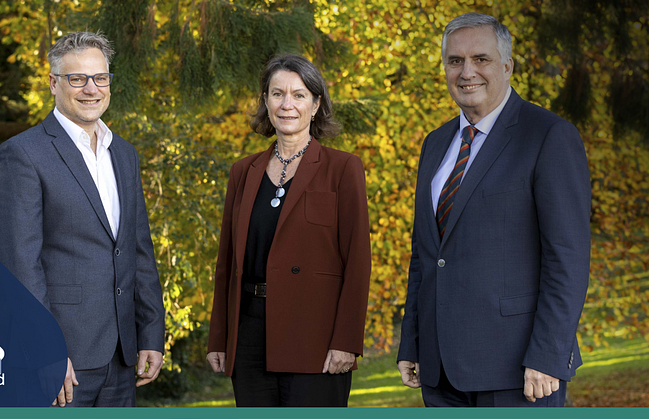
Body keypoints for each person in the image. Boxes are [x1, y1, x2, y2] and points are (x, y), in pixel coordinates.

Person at [396, 12, 591, 407]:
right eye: (455, 61)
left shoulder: (548, 136)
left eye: (481, 59)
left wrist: (548, 356)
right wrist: (412, 341)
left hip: (520, 370)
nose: (467, 72)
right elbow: (426, 255)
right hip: (441, 372)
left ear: (507, 65)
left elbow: (567, 259)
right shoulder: (436, 144)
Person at [0, 32, 165, 407]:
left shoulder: (124, 154)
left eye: (100, 78)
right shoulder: (22, 154)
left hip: (122, 355)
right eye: (77, 79)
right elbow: (20, 264)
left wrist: (150, 334)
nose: (91, 89)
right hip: (62, 358)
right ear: (54, 83)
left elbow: (138, 250)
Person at [206, 54, 372, 407]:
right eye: (277, 93)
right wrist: (219, 338)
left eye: (299, 95)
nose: (287, 104)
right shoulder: (243, 171)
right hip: (249, 336)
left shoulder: (343, 169)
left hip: (317, 337)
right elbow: (227, 264)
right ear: (265, 102)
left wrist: (347, 341)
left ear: (316, 104)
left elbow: (358, 262)